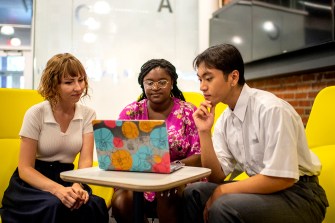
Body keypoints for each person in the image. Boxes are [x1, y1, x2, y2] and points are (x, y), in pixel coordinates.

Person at [183, 44, 329, 223]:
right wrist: (204, 131)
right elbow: (216, 176)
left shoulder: (271, 109)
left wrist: (222, 191)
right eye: (200, 80)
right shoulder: (225, 119)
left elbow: (282, 178)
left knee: (224, 204)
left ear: (233, 77)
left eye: (209, 78)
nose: (202, 87)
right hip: (266, 192)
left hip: (300, 195)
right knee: (194, 192)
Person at [0, 53, 109, 223]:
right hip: (33, 183)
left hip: (70, 177)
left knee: (94, 205)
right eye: (69, 82)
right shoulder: (36, 113)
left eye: (81, 80)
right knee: (55, 205)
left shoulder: (88, 114)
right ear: (53, 85)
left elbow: (85, 161)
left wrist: (77, 185)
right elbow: (25, 169)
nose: (78, 87)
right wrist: (58, 190)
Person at [111, 59, 201, 223]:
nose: (155, 87)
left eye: (162, 82)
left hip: (178, 179)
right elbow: (117, 151)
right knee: (121, 201)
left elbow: (199, 156)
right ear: (143, 85)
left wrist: (170, 168)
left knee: (167, 191)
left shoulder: (188, 111)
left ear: (172, 83)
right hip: (137, 180)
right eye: (150, 82)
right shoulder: (131, 112)